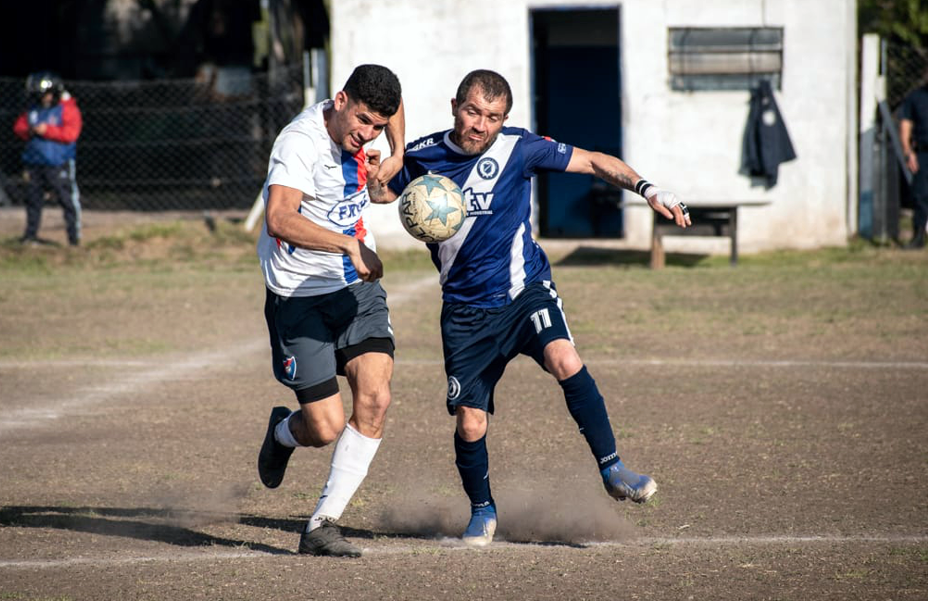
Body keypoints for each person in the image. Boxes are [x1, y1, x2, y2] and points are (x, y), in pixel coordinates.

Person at [370, 69, 689, 547]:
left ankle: (613, 467)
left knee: (565, 358)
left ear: (505, 120)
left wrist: (649, 189)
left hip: (525, 292)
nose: (480, 125)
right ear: (455, 104)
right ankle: (482, 511)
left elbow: (595, 162)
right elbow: (382, 193)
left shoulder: (520, 147)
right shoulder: (421, 155)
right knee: (470, 421)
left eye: (493, 117)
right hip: (465, 312)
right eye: (473, 111)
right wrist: (377, 173)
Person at [255, 64, 405, 557]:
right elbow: (279, 218)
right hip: (298, 296)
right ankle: (282, 433)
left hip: (355, 291)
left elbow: (391, 110)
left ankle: (322, 523)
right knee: (324, 427)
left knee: (376, 397)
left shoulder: (367, 129)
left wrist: (394, 158)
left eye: (378, 126)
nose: (367, 134)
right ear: (339, 100)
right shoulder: (299, 142)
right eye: (362, 120)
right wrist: (348, 245)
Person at [13, 72, 83, 246]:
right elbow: (19, 127)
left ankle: (73, 239)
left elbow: (71, 134)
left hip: (58, 164)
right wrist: (30, 130)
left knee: (66, 200)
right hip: (34, 163)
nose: (44, 98)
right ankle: (30, 236)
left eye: (47, 94)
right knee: (32, 200)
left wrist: (48, 130)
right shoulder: (33, 110)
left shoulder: (67, 109)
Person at [899, 75, 928, 250]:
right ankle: (918, 237)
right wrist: (908, 152)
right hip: (923, 153)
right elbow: (905, 126)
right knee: (921, 195)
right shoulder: (915, 97)